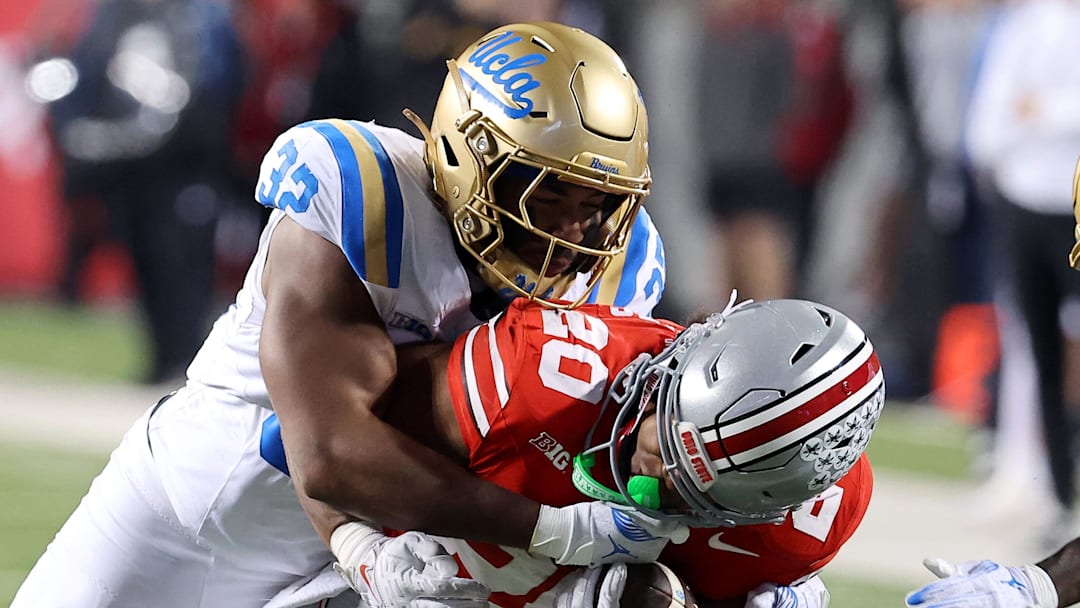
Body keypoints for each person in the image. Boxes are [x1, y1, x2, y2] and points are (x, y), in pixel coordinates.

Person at [12, 21, 671, 608]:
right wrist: (546, 530)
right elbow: (325, 452)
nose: (575, 231)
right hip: (189, 516)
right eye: (548, 194)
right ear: (466, 156)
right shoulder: (364, 192)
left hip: (376, 558)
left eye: (599, 202)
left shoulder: (623, 271)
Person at [290, 296, 883, 608]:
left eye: (687, 489)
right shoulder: (541, 378)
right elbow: (320, 445)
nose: (653, 469)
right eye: (667, 426)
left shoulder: (806, 523)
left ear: (758, 510)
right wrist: (357, 549)